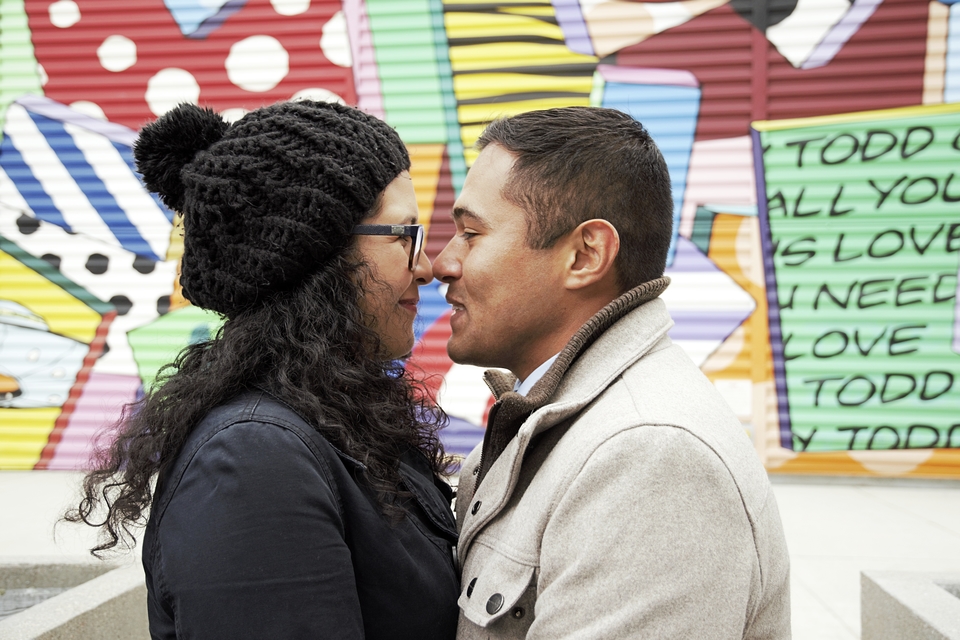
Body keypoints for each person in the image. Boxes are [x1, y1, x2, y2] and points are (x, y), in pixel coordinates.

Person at [66, 100, 459, 639]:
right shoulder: (252, 459)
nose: (428, 266)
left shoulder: (340, 421)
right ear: (317, 254)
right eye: (402, 234)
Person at [434, 106, 791, 639]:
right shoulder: (563, 418)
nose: (442, 262)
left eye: (470, 233)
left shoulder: (650, 454)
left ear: (585, 255)